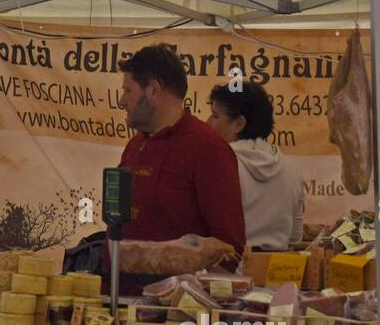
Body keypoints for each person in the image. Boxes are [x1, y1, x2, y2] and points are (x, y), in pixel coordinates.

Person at [116, 44, 245, 256]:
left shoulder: (207, 147)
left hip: (177, 288)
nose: (122, 101)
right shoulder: (135, 145)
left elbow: (230, 250)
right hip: (117, 286)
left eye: (128, 91)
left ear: (154, 91)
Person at [208, 81, 305, 250]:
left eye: (215, 116)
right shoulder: (292, 170)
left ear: (239, 124)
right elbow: (295, 238)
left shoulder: (219, 164)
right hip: (278, 272)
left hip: (226, 275)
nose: (207, 122)